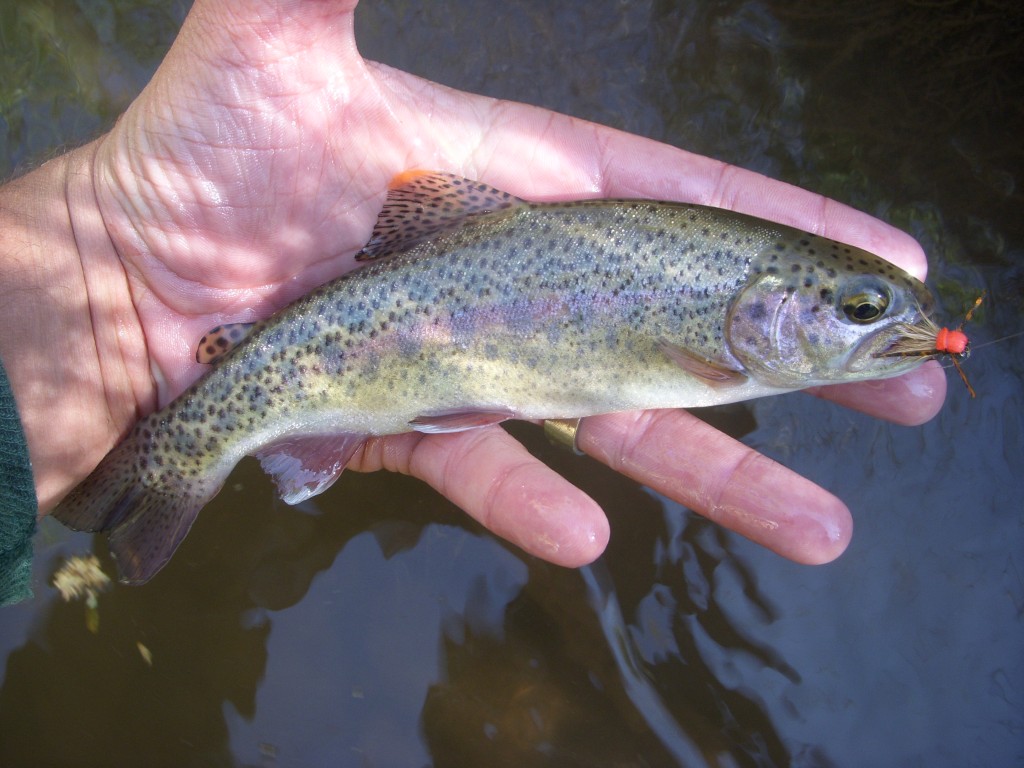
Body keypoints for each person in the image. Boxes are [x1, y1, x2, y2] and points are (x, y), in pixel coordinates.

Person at [0, 0, 945, 604]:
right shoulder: (722, 348)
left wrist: (92, 263)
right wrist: (102, 251)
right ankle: (181, 454)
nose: (893, 328)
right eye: (862, 307)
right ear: (775, 304)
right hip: (362, 338)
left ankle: (168, 460)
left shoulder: (726, 332)